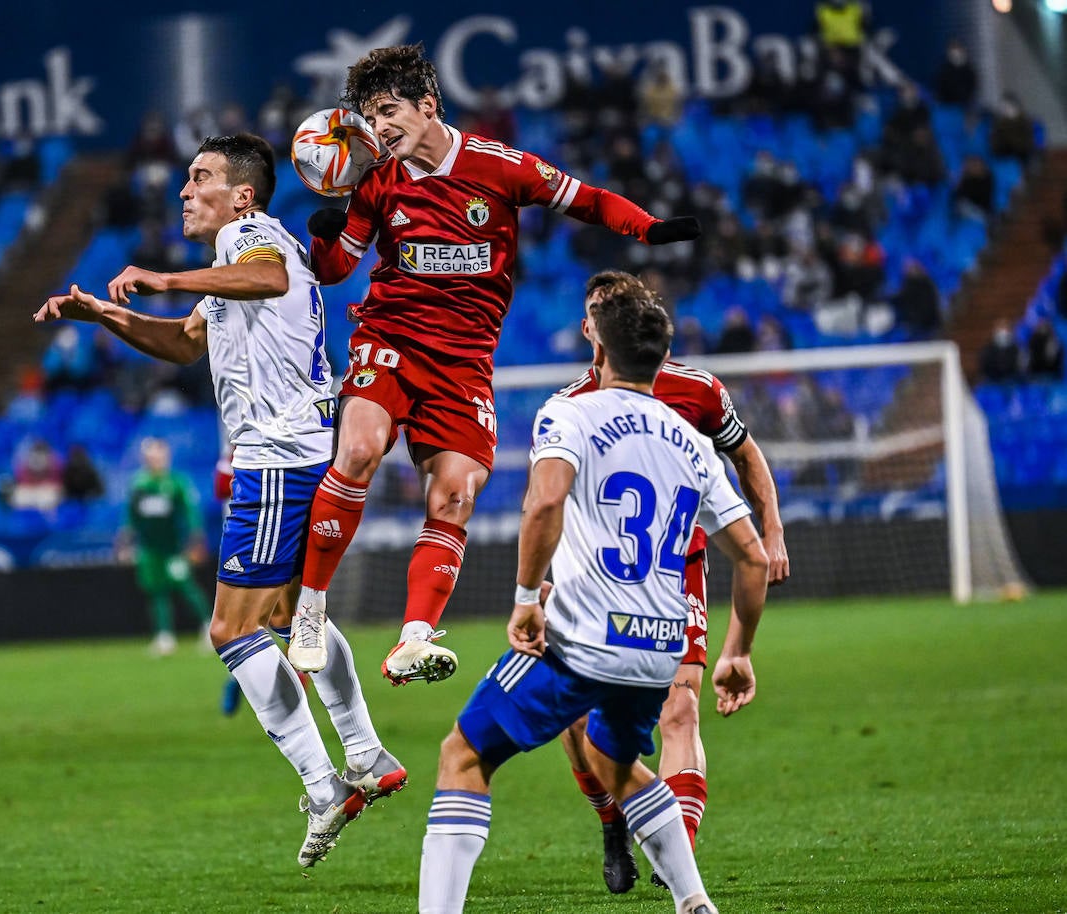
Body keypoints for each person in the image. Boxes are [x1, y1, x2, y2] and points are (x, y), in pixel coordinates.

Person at [34, 133, 403, 867]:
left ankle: (327, 783)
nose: (183, 191)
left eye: (199, 178)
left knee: (231, 632)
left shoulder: (252, 235)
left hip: (275, 459)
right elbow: (183, 345)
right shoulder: (233, 261)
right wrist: (102, 317)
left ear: (242, 193)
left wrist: (166, 277)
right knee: (286, 614)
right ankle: (364, 752)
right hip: (301, 452)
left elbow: (263, 279)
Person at [292, 43, 700, 685]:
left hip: (465, 360)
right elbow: (335, 267)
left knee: (455, 492)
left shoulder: (500, 167)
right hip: (390, 336)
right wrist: (325, 228)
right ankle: (310, 609)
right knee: (362, 448)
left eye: (389, 111)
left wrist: (648, 230)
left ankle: (414, 638)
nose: (380, 128)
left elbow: (587, 200)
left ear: (428, 105)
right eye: (369, 117)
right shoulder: (374, 178)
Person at [416, 272, 770, 914]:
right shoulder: (691, 441)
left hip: (582, 638)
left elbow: (545, 500)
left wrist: (526, 596)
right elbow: (752, 554)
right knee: (616, 760)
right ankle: (695, 903)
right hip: (661, 646)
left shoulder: (570, 412)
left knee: (463, 755)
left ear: (597, 348)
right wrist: (738, 649)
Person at [553, 272, 789, 895]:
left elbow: (745, 453)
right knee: (578, 725)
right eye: (594, 310)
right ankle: (612, 822)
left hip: (674, 571)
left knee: (681, 709)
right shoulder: (570, 407)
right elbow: (551, 504)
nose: (597, 322)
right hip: (593, 581)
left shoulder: (697, 391)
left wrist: (771, 526)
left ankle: (675, 855)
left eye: (607, 310)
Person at [124, 437, 213, 656]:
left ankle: (209, 628)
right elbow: (131, 515)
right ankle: (164, 636)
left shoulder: (177, 482)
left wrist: (196, 538)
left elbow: (191, 512)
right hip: (149, 548)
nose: (155, 459)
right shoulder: (139, 483)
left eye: (159, 455)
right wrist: (125, 538)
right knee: (157, 591)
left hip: (174, 547)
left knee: (186, 586)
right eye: (151, 455)